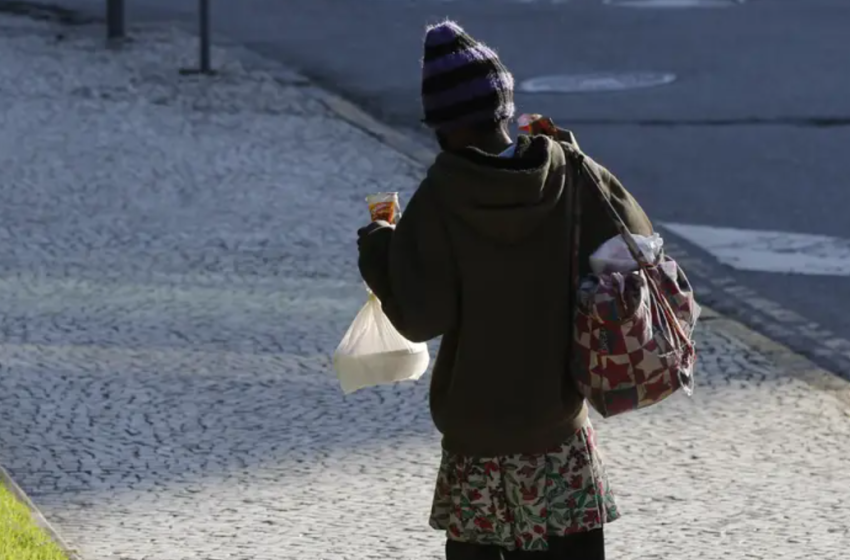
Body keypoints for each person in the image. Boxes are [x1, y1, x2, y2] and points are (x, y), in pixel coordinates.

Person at [357, 20, 654, 560]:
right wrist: (578, 158)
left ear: (443, 128)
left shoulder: (442, 197)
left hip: (479, 436)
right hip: (559, 426)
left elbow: (421, 317)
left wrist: (380, 249)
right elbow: (638, 244)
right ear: (504, 109)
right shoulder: (566, 171)